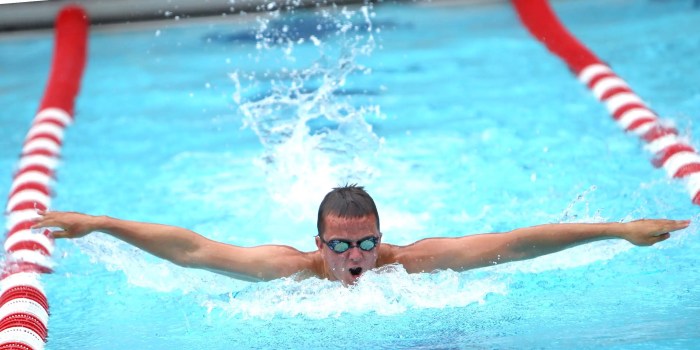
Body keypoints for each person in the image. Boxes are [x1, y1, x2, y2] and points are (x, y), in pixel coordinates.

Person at [32, 184, 689, 285]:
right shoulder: (285, 269)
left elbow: (516, 242)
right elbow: (194, 249)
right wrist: (103, 225)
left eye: (366, 243)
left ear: (382, 235)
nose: (357, 259)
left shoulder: (410, 265)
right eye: (342, 246)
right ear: (318, 245)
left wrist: (618, 232)